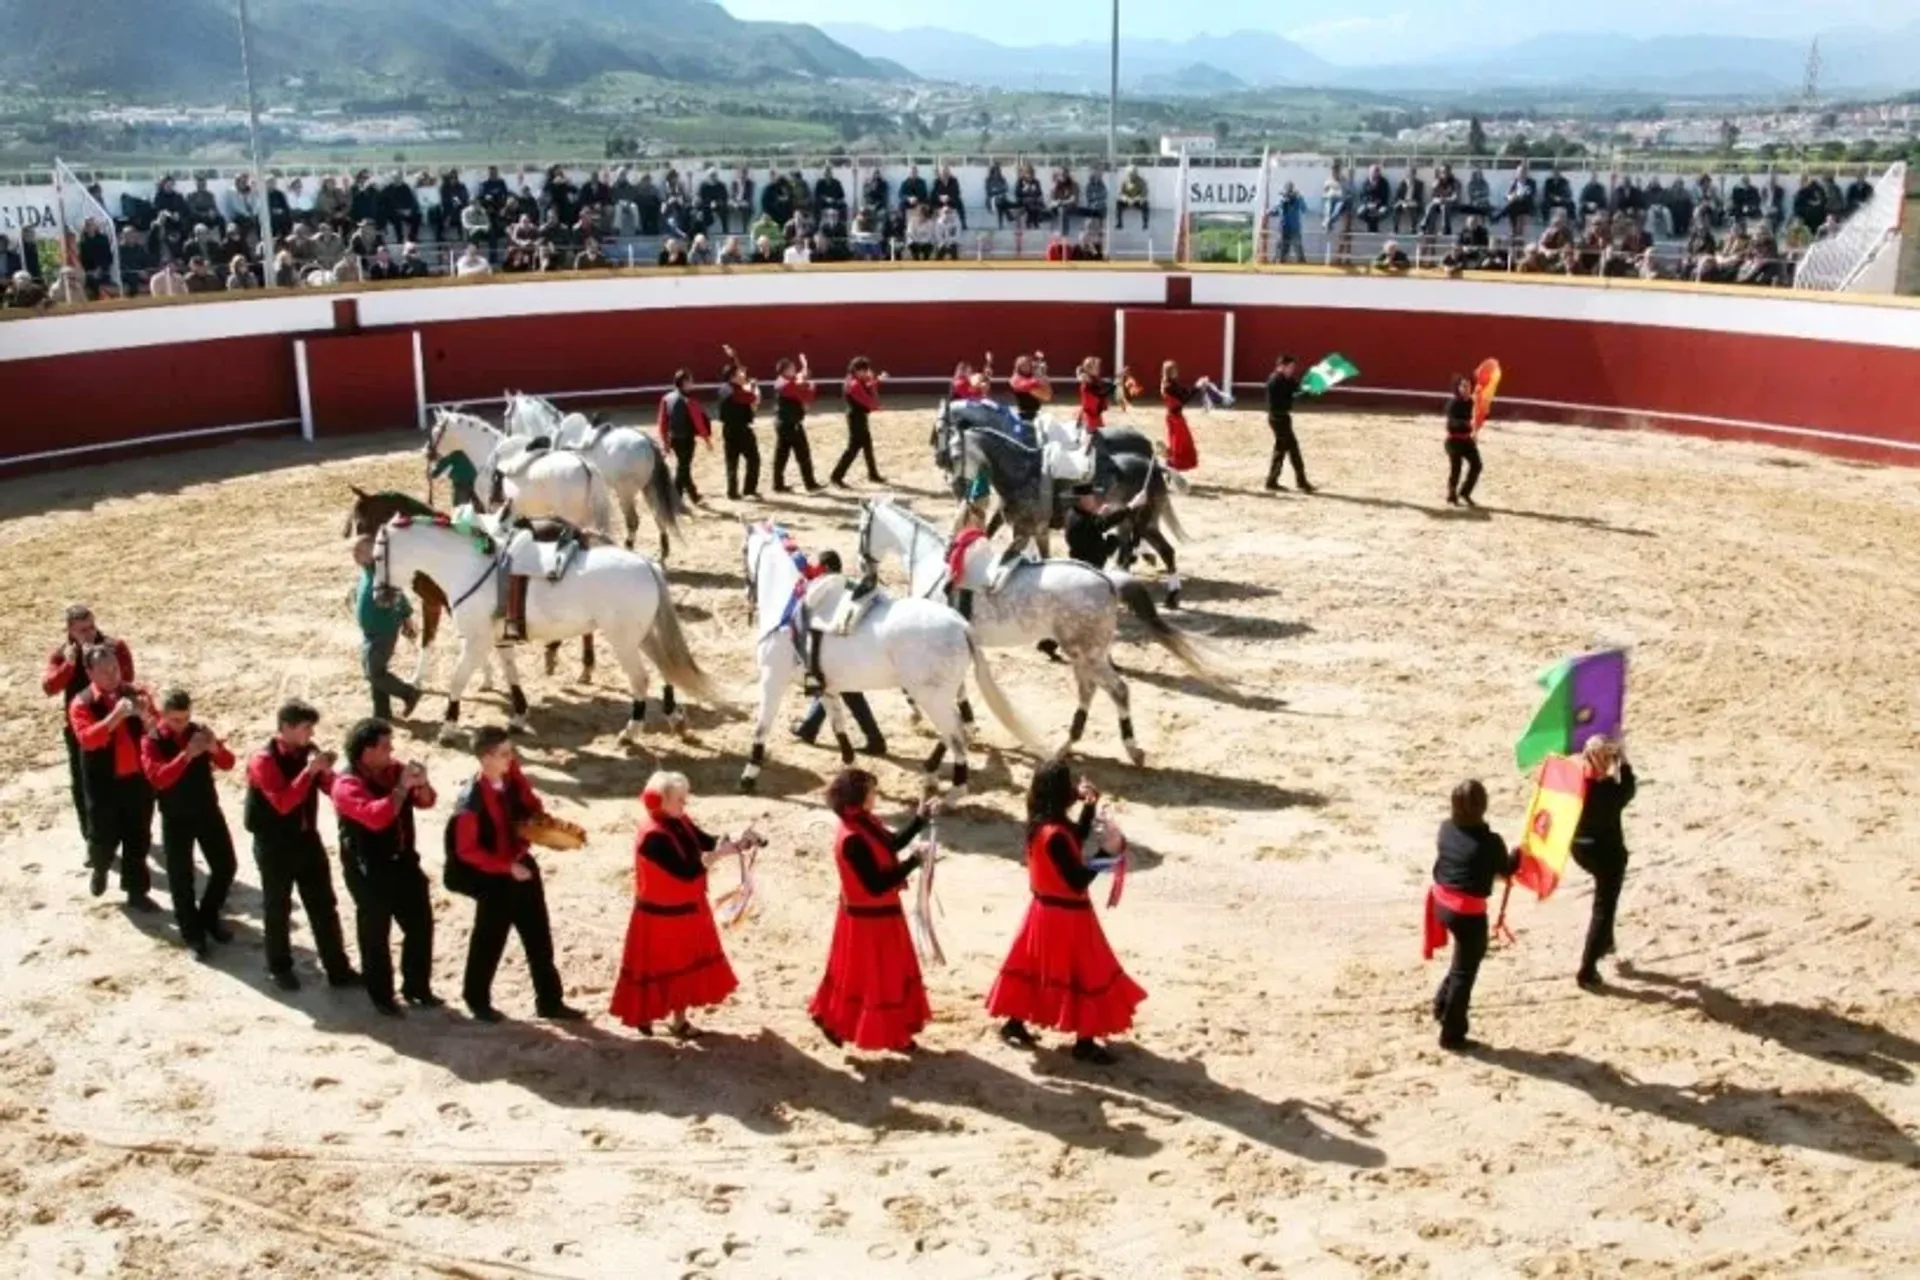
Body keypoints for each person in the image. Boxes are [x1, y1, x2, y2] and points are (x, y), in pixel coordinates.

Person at [987, 758, 1143, 1064]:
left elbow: (1075, 836)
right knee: (1086, 972)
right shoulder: (1055, 832)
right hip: (1068, 916)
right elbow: (1077, 879)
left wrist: (1088, 804)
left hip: (1043, 911)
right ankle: (1084, 1043)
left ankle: (1015, 1024)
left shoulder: (1041, 822)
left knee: (1034, 968)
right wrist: (1106, 854)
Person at [445, 725, 585, 1022]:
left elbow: (531, 805)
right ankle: (477, 1000)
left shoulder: (510, 779)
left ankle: (550, 1002)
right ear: (486, 758)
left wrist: (540, 821)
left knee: (539, 939)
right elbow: (466, 850)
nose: (511, 759)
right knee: (489, 940)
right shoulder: (470, 800)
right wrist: (506, 867)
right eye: (505, 754)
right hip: (496, 877)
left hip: (521, 866)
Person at [610, 771, 744, 1038]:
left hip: (683, 912)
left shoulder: (678, 819)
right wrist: (721, 854)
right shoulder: (652, 837)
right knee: (664, 969)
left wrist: (736, 840)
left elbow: (705, 841)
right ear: (662, 801)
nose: (685, 804)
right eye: (680, 799)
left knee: (679, 970)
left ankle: (676, 1020)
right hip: (661, 918)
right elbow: (686, 871)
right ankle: (652, 1016)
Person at [809, 770, 934, 1052]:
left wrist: (919, 819)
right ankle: (886, 1033)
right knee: (881, 976)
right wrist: (914, 861)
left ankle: (835, 1020)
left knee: (856, 974)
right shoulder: (853, 837)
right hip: (870, 921)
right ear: (859, 797)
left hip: (872, 914)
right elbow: (876, 885)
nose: (875, 795)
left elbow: (891, 843)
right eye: (871, 791)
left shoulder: (863, 821)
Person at [245, 700, 359, 992]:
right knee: (277, 907)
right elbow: (282, 803)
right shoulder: (263, 759)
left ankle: (338, 969)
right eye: (306, 727)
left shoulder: (308, 752)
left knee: (324, 905)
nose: (311, 733)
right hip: (274, 845)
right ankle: (279, 967)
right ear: (287, 728)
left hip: (307, 840)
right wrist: (309, 772)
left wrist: (328, 772)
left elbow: (329, 787)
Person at [331, 718, 438, 1017]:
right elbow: (376, 817)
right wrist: (402, 788)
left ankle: (417, 987)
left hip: (403, 862)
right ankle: (381, 996)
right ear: (366, 752)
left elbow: (427, 802)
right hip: (369, 870)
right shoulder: (346, 784)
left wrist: (422, 782)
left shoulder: (392, 770)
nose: (391, 751)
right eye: (385, 746)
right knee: (375, 935)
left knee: (420, 926)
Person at [141, 689, 239, 957]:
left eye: (185, 718)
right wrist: (186, 755)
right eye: (175, 720)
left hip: (207, 810)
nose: (182, 724)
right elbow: (158, 778)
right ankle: (192, 934)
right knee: (181, 878)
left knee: (226, 866)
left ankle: (207, 915)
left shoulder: (198, 732)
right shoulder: (152, 740)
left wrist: (213, 747)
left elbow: (228, 763)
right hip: (176, 817)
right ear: (163, 716)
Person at [1424, 779, 1520, 1051]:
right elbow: (1505, 870)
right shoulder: (1490, 843)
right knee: (1466, 971)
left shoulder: (1445, 829)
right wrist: (1517, 855)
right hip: (1467, 914)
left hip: (1441, 903)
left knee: (1462, 963)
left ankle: (1442, 1004)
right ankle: (1452, 1034)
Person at [68, 645, 160, 909]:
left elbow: (156, 734)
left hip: (137, 780)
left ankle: (136, 892)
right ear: (89, 672)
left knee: (138, 836)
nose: (112, 675)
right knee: (102, 836)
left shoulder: (136, 693)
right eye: (105, 670)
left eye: (115, 669)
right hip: (103, 783)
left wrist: (145, 717)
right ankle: (100, 868)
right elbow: (88, 739)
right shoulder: (82, 702)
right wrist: (116, 715)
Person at [43, 604, 133, 847]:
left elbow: (128, 678)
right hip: (81, 729)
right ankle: (92, 839)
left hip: (118, 722)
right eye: (82, 630)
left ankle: (127, 832)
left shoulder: (114, 646)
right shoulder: (62, 654)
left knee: (124, 777)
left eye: (91, 626)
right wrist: (69, 666)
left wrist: (101, 663)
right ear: (70, 630)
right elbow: (49, 687)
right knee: (83, 783)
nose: (90, 633)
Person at [1571, 736, 1637, 991]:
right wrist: (1623, 759)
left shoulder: (1576, 785)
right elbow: (1629, 786)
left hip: (1579, 849)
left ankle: (1607, 940)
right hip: (1607, 856)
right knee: (1604, 908)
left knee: (1604, 904)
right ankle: (1587, 970)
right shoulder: (1610, 791)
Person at [352, 538, 424, 713]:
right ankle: (382, 712)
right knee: (375, 671)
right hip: (371, 632)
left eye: (359, 552)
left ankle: (409, 693)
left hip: (383, 633)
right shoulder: (368, 571)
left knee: (374, 673)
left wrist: (406, 617)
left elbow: (398, 597)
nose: (354, 556)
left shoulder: (382, 576)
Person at [801, 548, 880, 698]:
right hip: (844, 619)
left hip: (825, 622)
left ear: (826, 567)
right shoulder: (845, 580)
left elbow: (810, 601)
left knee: (813, 643)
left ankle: (814, 679)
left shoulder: (826, 580)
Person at [657, 368, 712, 504]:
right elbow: (699, 424)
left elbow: (662, 422)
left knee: (683, 466)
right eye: (690, 380)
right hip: (686, 440)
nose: (692, 383)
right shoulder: (690, 401)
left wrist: (665, 442)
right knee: (683, 468)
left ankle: (693, 495)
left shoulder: (666, 398)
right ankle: (676, 499)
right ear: (685, 382)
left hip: (673, 439)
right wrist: (707, 440)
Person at [771, 355, 824, 493]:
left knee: (781, 455)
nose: (795, 371)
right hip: (791, 424)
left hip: (782, 423)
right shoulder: (787, 385)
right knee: (803, 453)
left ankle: (778, 485)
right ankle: (810, 484)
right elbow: (806, 396)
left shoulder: (781, 382)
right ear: (785, 371)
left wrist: (803, 375)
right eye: (792, 369)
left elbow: (797, 381)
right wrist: (811, 386)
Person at [832, 356, 887, 488]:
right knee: (853, 448)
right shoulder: (854, 384)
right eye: (864, 370)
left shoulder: (853, 380)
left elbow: (867, 387)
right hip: (856, 417)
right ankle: (836, 476)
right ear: (857, 370)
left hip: (858, 416)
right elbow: (865, 399)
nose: (866, 373)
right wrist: (876, 406)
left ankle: (873, 474)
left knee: (867, 445)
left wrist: (877, 380)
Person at [717, 345, 762, 501]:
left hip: (727, 429)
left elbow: (740, 374)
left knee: (732, 461)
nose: (743, 374)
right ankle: (749, 490)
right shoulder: (738, 393)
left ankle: (732, 491)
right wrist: (754, 387)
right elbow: (752, 398)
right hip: (741, 430)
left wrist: (734, 356)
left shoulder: (724, 389)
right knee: (753, 459)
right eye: (740, 374)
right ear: (733, 377)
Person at [1264, 354, 1314, 493]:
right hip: (1278, 418)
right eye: (1290, 367)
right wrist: (1297, 393)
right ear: (1281, 366)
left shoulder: (1286, 379)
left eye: (1293, 367)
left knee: (1285, 450)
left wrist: (1310, 389)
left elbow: (1298, 389)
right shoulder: (1275, 380)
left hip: (1283, 418)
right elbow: (1284, 399)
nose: (1292, 370)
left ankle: (1275, 481)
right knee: (1289, 450)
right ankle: (1298, 482)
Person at [1444, 374, 1482, 507]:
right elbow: (1451, 423)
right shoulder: (1453, 403)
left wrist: (1475, 430)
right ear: (1458, 388)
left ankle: (1465, 493)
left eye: (1468, 386)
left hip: (1467, 440)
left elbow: (1477, 418)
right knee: (1457, 468)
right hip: (1453, 441)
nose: (1466, 389)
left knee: (1477, 465)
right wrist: (1467, 424)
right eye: (1463, 386)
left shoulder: (1472, 402)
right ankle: (1452, 494)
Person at [1076, 358, 1122, 430]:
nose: (1098, 369)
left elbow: (1107, 381)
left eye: (1098, 367)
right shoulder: (1087, 381)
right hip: (1089, 415)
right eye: (1096, 367)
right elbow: (1100, 394)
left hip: (1094, 414)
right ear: (1089, 369)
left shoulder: (1094, 379)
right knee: (1092, 435)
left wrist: (1118, 376)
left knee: (1098, 433)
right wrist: (1114, 386)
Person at [1008, 353, 1051, 425]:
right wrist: (1039, 377)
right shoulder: (1015, 379)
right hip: (1023, 414)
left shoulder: (1033, 376)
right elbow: (1025, 386)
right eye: (1023, 365)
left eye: (1028, 364)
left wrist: (1042, 375)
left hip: (1036, 412)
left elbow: (1047, 395)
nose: (1026, 366)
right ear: (1018, 367)